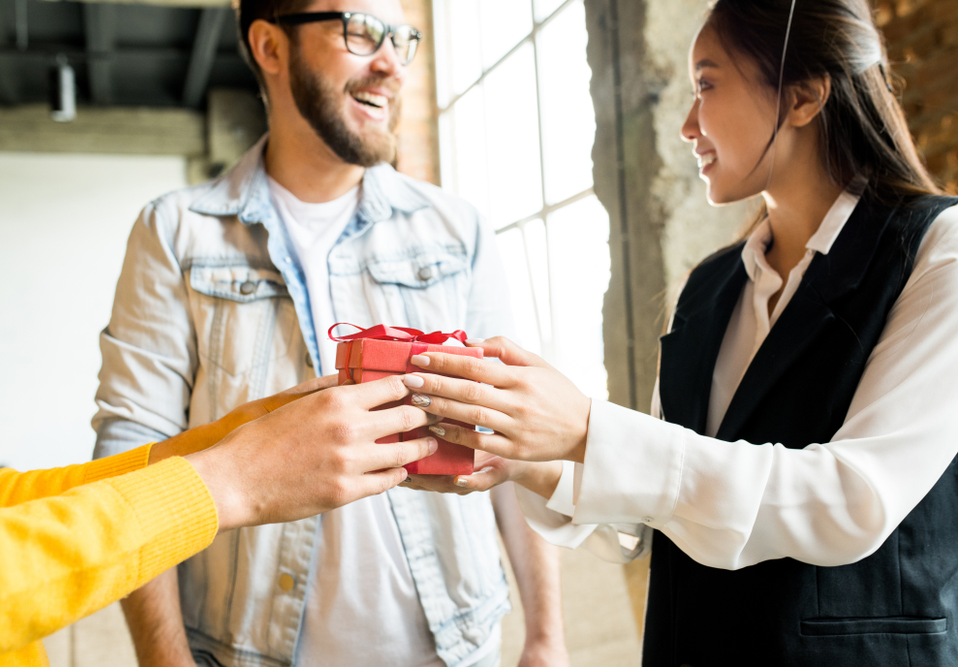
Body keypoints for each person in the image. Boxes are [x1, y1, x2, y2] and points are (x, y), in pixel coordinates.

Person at [400, 0, 958, 665]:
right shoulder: (710, 287)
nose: (688, 123)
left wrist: (586, 428)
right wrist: (523, 453)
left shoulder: (937, 252)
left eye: (707, 84)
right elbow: (660, 508)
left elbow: (854, 499)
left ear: (804, 95)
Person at [91, 1, 568, 666]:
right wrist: (164, 659)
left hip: (457, 648)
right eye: (360, 31)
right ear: (271, 46)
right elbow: (130, 456)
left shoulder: (458, 232)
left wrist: (546, 635)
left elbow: (509, 432)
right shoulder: (175, 233)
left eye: (402, 39)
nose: (390, 63)